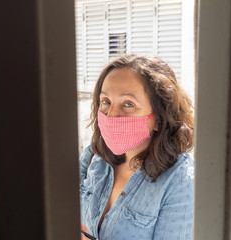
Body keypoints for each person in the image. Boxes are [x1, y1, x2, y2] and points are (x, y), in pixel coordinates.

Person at [79, 55, 194, 240]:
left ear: (158, 118)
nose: (111, 115)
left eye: (128, 104)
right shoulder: (93, 154)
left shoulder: (180, 180)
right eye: (106, 101)